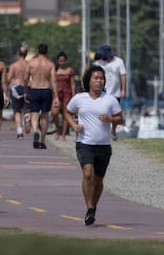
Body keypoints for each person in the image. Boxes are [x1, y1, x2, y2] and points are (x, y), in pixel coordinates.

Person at [64, 65, 123, 226]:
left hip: (104, 146)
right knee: (88, 173)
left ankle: (93, 207)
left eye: (101, 78)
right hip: (85, 143)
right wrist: (74, 126)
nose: (99, 81)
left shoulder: (110, 99)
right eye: (96, 78)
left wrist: (111, 119)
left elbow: (120, 118)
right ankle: (89, 208)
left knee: (98, 180)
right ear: (88, 81)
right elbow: (67, 112)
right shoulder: (79, 98)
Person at [24, 43, 59, 149]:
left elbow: (26, 78)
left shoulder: (31, 63)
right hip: (46, 90)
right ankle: (42, 140)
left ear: (38, 51)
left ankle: (35, 131)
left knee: (34, 114)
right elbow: (53, 80)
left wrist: (26, 91)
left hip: (34, 89)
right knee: (44, 115)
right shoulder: (50, 64)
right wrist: (56, 96)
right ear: (47, 51)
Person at [95, 44, 126, 141]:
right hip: (102, 92)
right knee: (100, 112)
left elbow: (123, 76)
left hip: (115, 93)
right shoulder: (98, 63)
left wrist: (123, 90)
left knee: (116, 115)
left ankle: (113, 130)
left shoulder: (119, 61)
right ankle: (101, 132)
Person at [51, 51, 76, 141]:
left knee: (66, 114)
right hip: (57, 94)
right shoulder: (54, 70)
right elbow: (52, 82)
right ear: (58, 61)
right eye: (60, 61)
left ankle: (64, 134)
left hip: (67, 93)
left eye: (63, 60)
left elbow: (72, 83)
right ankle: (58, 129)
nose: (62, 62)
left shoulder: (70, 70)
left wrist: (73, 95)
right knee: (54, 112)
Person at [7, 46, 29, 139]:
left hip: (16, 88)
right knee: (26, 110)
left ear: (18, 53)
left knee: (17, 111)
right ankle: (27, 121)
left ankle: (19, 132)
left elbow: (8, 79)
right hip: (26, 88)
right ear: (26, 54)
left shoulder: (14, 65)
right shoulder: (29, 65)